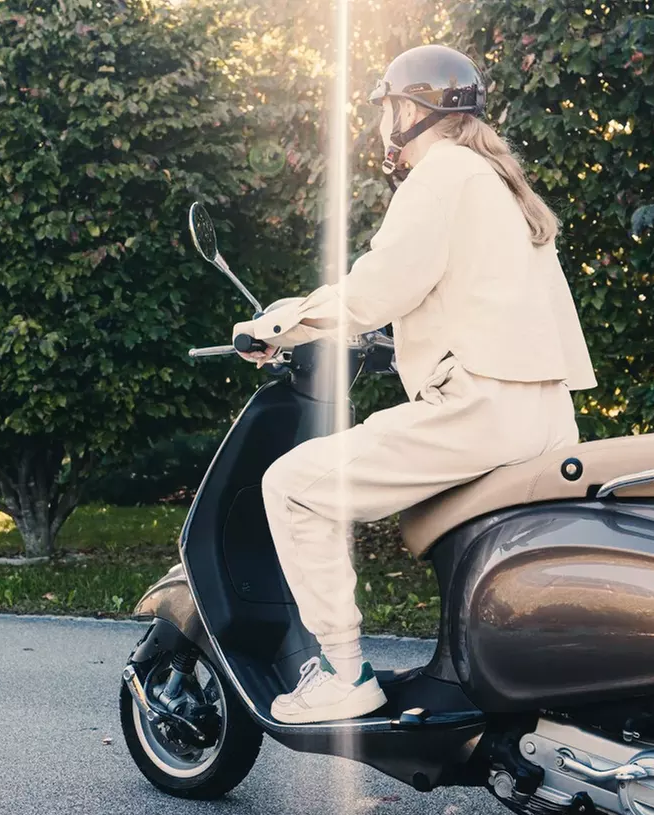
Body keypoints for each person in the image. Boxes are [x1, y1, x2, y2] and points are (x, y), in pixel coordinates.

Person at [232, 45, 597, 724]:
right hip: (545, 416)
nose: (381, 128)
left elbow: (377, 287)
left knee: (293, 487)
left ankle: (344, 674)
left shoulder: (443, 174)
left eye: (385, 110)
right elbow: (471, 303)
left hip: (481, 411)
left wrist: (282, 325)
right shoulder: (497, 183)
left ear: (408, 111)